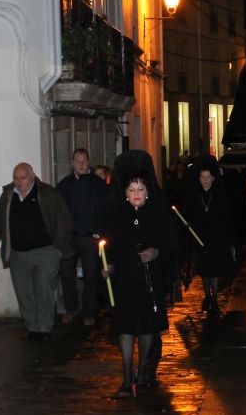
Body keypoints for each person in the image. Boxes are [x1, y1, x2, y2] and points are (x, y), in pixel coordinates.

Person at [102, 167, 171, 396]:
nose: (136, 194)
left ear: (148, 191)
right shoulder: (116, 216)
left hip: (150, 278)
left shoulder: (158, 213)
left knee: (146, 326)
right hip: (125, 280)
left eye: (140, 189)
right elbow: (110, 247)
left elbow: (171, 244)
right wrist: (109, 266)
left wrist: (156, 253)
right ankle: (126, 375)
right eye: (131, 190)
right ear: (125, 192)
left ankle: (142, 373)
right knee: (125, 326)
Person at [0, 163, 72, 341]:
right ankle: (32, 326)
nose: (19, 182)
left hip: (46, 252)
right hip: (18, 253)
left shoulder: (48, 194)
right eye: (16, 178)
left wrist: (57, 249)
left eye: (23, 178)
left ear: (32, 176)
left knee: (43, 287)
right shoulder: (9, 195)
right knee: (24, 291)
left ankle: (45, 327)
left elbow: (63, 220)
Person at [57, 148, 109, 327]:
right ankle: (71, 308)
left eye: (84, 161)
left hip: (89, 236)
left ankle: (89, 311)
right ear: (72, 163)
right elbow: (59, 213)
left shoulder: (98, 184)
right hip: (70, 237)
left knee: (91, 275)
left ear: (88, 162)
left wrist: (99, 231)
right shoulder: (64, 185)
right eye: (77, 161)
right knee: (66, 272)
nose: (80, 164)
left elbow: (105, 209)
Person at [185, 158, 236, 313]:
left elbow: (227, 218)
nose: (205, 180)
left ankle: (213, 298)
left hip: (216, 239)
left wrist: (229, 239)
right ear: (199, 178)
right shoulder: (195, 195)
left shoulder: (220, 195)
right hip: (200, 239)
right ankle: (207, 295)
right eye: (202, 177)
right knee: (204, 270)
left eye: (208, 177)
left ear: (213, 178)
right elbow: (191, 216)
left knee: (213, 270)